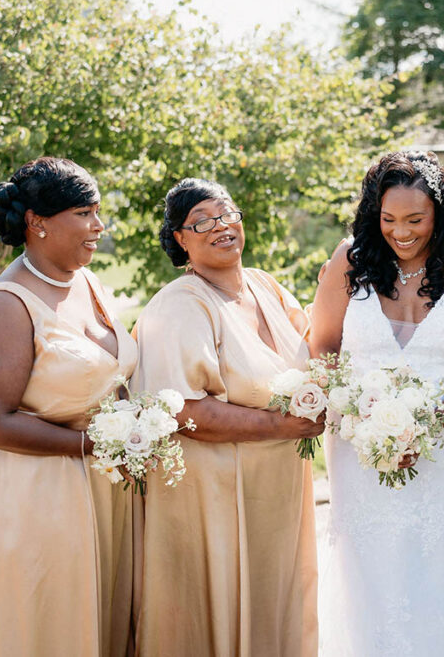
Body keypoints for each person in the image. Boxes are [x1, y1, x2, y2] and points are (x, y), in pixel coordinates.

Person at [309, 151, 444, 655]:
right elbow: (323, 346)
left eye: (415, 220)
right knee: (366, 555)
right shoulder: (350, 259)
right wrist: (361, 418)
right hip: (358, 440)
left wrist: (426, 425)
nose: (401, 232)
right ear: (373, 214)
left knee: (436, 555)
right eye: (388, 219)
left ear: (440, 214)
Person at [0, 157, 137, 656]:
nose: (99, 226)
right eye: (85, 214)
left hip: (99, 484)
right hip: (33, 494)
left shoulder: (87, 282)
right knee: (43, 625)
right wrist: (92, 444)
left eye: (98, 212)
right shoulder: (3, 305)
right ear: (38, 222)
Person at [131, 178, 322, 657]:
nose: (221, 226)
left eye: (227, 213)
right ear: (180, 238)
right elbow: (186, 409)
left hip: (277, 487)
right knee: (219, 609)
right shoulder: (181, 305)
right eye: (202, 221)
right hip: (213, 494)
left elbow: (313, 353)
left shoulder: (264, 285)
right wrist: (284, 426)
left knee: (276, 601)